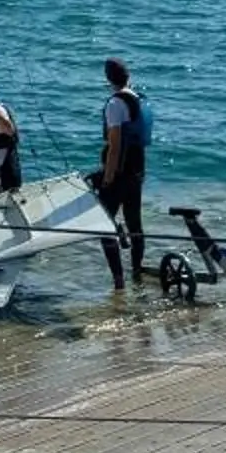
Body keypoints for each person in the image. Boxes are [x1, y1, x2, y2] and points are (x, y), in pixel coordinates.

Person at [94, 55, 149, 288]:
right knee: (135, 224)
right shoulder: (138, 99)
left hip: (118, 174)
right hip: (137, 171)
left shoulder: (115, 104)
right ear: (128, 76)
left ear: (108, 78)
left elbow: (115, 145)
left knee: (104, 225)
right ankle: (137, 271)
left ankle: (119, 281)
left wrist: (107, 177)